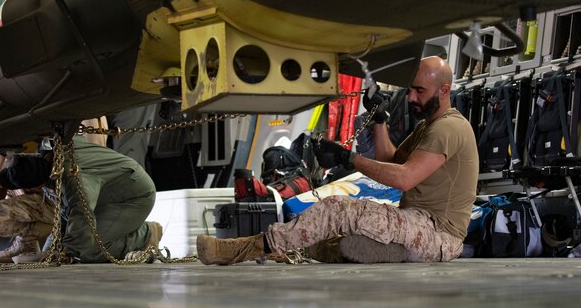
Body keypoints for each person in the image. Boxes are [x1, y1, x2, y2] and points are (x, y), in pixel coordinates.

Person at [197, 56, 479, 265]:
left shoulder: (449, 128)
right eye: (411, 89)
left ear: (444, 91)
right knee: (338, 244)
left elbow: (404, 178)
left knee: (338, 209)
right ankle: (389, 252)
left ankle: (241, 250)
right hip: (417, 225)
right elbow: (390, 159)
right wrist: (380, 121)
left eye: (420, 91)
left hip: (438, 235)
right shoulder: (427, 126)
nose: (411, 97)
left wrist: (348, 157)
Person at [0, 135, 162, 263]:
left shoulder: (74, 178)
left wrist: (66, 252)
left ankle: (145, 236)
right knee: (69, 245)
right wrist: (49, 251)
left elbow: (81, 214)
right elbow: (64, 217)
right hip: (111, 193)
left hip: (133, 196)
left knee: (88, 250)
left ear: (36, 185)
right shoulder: (57, 145)